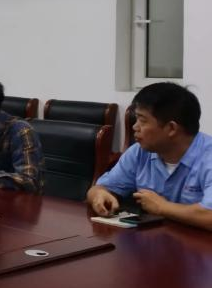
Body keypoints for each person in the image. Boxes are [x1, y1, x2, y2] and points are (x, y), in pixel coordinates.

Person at [87, 82, 212, 231]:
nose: (135, 127)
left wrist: (163, 207)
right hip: (155, 239)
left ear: (171, 128)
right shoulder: (139, 152)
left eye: (142, 120)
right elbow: (98, 189)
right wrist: (99, 195)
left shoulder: (208, 157)